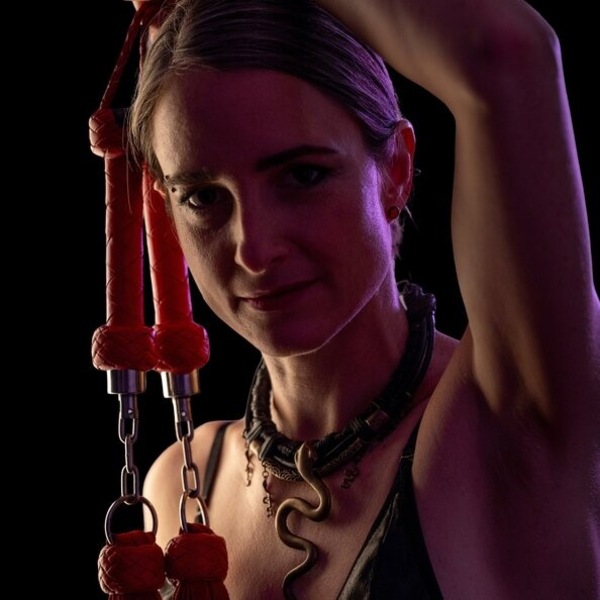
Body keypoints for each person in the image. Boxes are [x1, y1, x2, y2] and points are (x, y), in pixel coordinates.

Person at [125, 0, 599, 598]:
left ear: (395, 170)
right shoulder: (180, 485)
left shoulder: (505, 423)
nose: (255, 249)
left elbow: (505, 49)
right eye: (202, 197)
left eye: (302, 176)